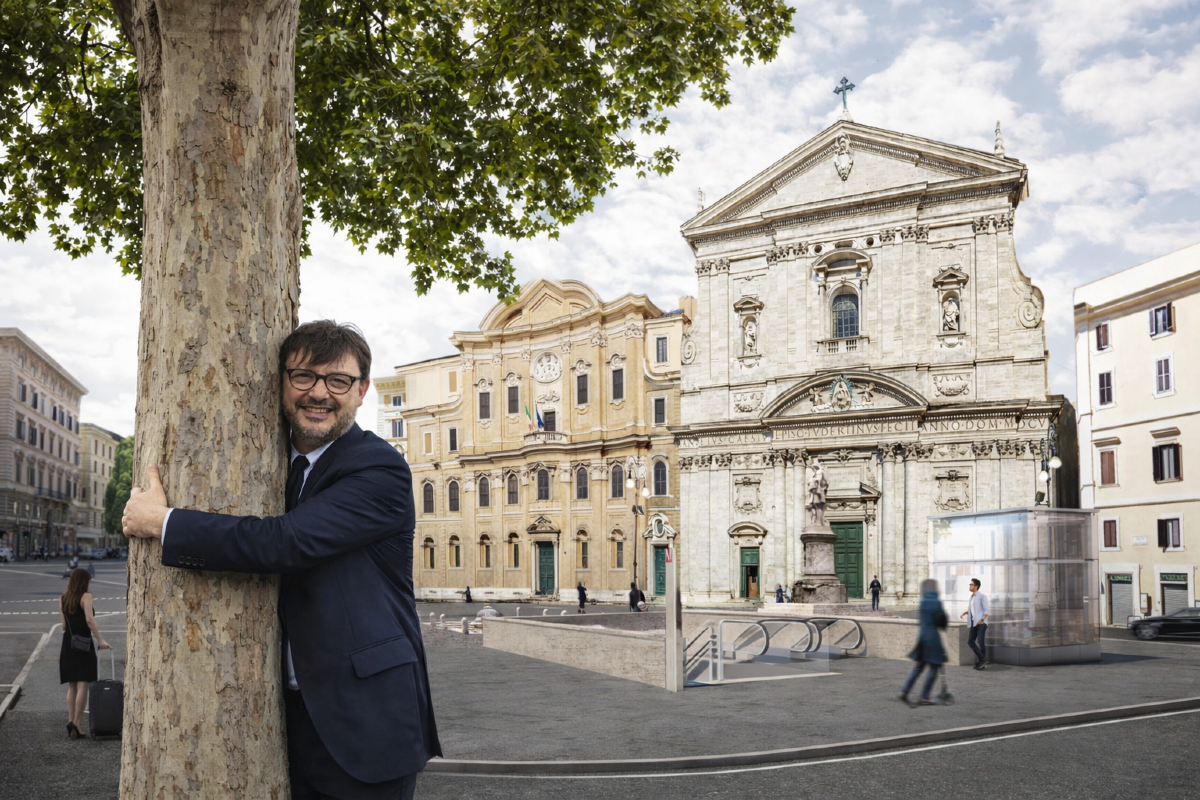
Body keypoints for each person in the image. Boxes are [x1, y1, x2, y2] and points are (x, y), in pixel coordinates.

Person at [123, 320, 440, 800]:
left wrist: (164, 522)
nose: (320, 393)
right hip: (282, 720)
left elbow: (284, 543)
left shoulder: (380, 469)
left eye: (338, 381)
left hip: (365, 721)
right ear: (282, 383)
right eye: (304, 377)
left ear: (362, 391)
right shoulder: (273, 463)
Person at [59, 567, 110, 739]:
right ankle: (78, 723)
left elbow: (64, 626)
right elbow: (89, 620)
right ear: (84, 581)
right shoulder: (86, 597)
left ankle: (70, 720)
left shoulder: (63, 598)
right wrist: (100, 640)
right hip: (84, 644)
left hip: (68, 644)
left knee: (72, 685)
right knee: (83, 684)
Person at [899, 578, 947, 707]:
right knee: (934, 668)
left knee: (919, 667)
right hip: (933, 638)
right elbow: (942, 622)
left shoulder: (922, 602)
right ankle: (924, 696)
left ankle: (905, 690)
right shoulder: (937, 602)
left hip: (922, 636)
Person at [961, 577, 989, 670]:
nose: (969, 586)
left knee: (981, 642)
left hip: (981, 622)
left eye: (971, 584)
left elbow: (986, 610)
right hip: (974, 622)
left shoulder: (982, 596)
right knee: (970, 641)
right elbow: (975, 610)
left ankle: (981, 664)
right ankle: (982, 659)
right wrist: (967, 612)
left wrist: (982, 619)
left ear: (976, 586)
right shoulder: (971, 597)